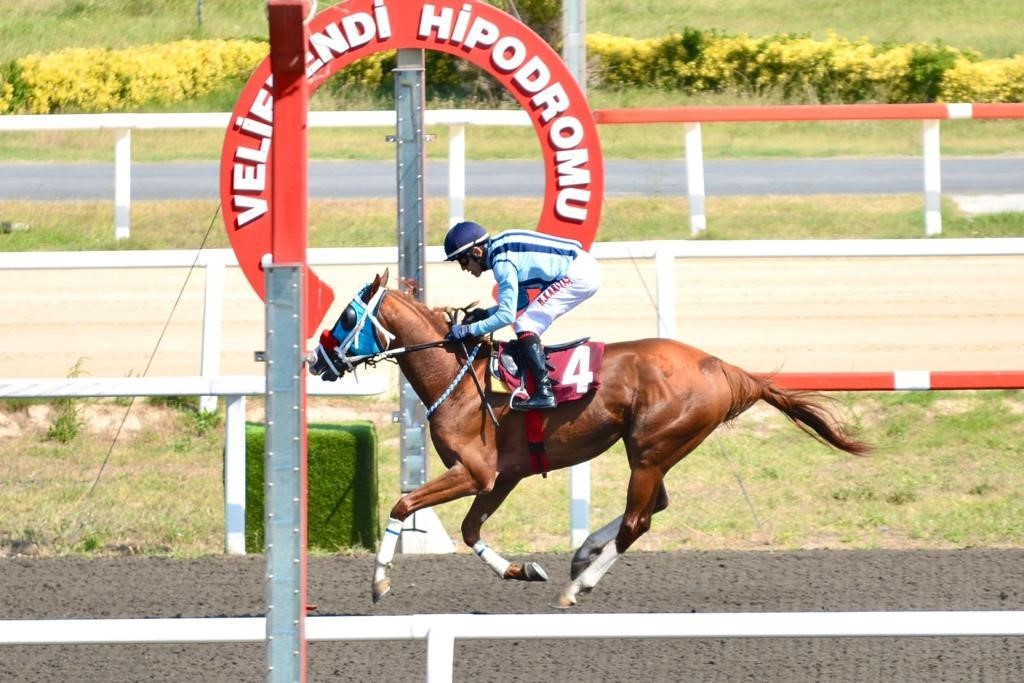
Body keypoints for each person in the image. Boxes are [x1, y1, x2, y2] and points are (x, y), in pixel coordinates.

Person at [443, 220, 602, 411]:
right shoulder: (501, 251)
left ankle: (545, 392)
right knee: (526, 321)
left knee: (526, 323)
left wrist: (469, 329)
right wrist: (484, 314)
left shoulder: (502, 262)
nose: (463, 268)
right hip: (582, 267)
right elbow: (521, 302)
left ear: (477, 252)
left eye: (462, 260)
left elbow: (507, 316)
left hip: (579, 275)